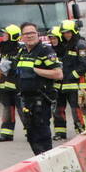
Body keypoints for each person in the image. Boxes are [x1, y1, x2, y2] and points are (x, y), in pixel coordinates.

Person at [12, 23, 63, 155]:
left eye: (32, 33)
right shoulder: (22, 52)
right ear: (22, 37)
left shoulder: (45, 51)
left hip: (41, 99)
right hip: (26, 99)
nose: (30, 36)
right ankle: (39, 161)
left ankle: (48, 163)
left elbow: (58, 74)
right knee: (31, 134)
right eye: (26, 34)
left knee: (42, 135)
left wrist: (35, 70)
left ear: (38, 34)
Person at [53, 19, 86, 140]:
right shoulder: (65, 45)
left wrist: (71, 76)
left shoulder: (80, 45)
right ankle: (60, 132)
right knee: (59, 109)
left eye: (68, 32)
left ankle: (84, 131)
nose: (66, 35)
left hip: (78, 84)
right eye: (64, 33)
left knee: (78, 109)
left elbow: (85, 65)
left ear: (74, 31)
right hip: (65, 84)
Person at [0, 24, 22, 142]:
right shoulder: (2, 49)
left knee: (23, 110)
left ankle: (31, 132)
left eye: (5, 34)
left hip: (18, 86)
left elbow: (22, 67)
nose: (3, 36)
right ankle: (6, 134)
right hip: (4, 86)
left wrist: (12, 66)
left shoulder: (21, 49)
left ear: (12, 36)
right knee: (7, 109)